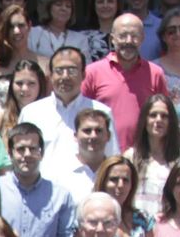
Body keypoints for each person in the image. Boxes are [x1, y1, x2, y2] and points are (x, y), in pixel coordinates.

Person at [21, 46, 115, 176]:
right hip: (44, 191)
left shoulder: (101, 112)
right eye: (59, 71)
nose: (65, 77)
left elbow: (112, 159)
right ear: (51, 74)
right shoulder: (31, 113)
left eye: (72, 71)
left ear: (83, 75)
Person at [82, 13, 171, 149]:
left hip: (144, 154)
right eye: (123, 35)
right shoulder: (92, 72)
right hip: (102, 154)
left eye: (134, 36)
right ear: (112, 39)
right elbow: (81, 115)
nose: (128, 41)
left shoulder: (155, 73)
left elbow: (165, 116)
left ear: (142, 38)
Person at [0, 122, 75, 237]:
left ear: (41, 153)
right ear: (10, 153)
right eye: (20, 149)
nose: (27, 154)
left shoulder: (60, 196)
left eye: (33, 149)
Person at [0, 3, 43, 118]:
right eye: (10, 26)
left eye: (21, 25)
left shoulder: (44, 64)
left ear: (29, 26)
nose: (16, 31)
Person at [125, 92, 180, 217]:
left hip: (170, 224)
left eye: (164, 116)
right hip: (138, 226)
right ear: (144, 120)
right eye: (153, 115)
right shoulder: (131, 156)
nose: (158, 120)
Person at [51, 108, 116, 207]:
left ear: (108, 136)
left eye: (98, 130)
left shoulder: (115, 171)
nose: (93, 136)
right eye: (87, 131)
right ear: (75, 136)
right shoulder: (59, 173)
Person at [94, 154, 154, 237]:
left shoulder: (143, 218)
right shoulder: (90, 218)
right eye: (114, 179)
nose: (120, 185)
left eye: (125, 180)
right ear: (103, 182)